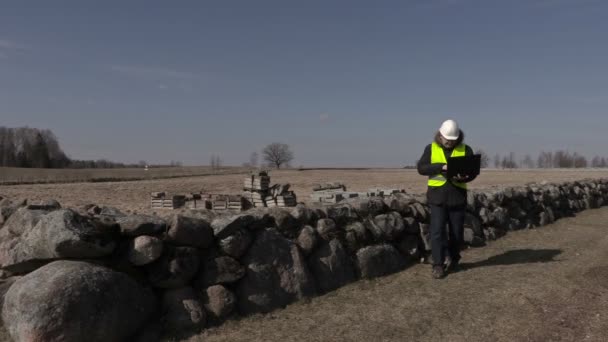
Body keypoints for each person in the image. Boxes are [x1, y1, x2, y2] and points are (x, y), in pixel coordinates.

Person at [417, 119, 477, 279]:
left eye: (453, 140)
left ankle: (454, 259)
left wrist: (464, 177)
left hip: (457, 198)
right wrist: (441, 167)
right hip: (437, 198)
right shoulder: (430, 149)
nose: (450, 142)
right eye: (447, 139)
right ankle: (438, 264)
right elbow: (421, 168)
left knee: (457, 233)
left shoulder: (466, 149)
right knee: (436, 232)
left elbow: (473, 172)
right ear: (440, 135)